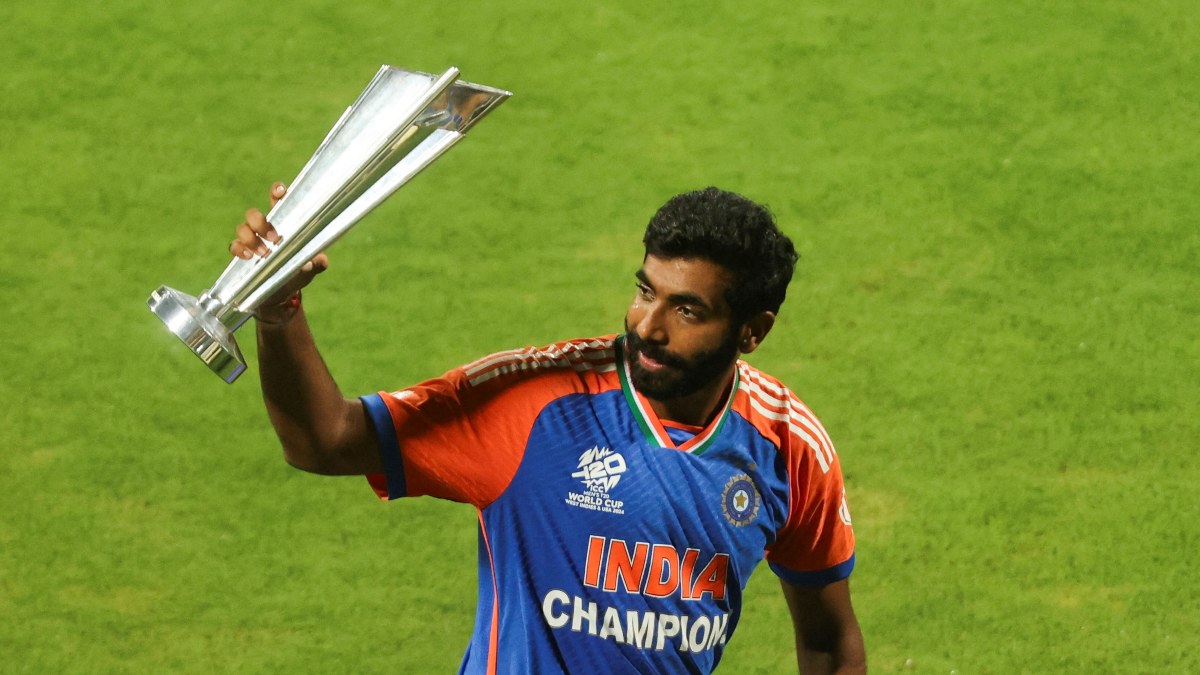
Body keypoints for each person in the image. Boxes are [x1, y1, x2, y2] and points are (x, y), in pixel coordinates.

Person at [232, 182, 867, 674]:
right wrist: (279, 310)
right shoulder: (534, 401)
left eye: (687, 310)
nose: (647, 325)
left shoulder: (788, 447)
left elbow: (829, 642)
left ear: (752, 331)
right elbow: (324, 440)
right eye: (646, 291)